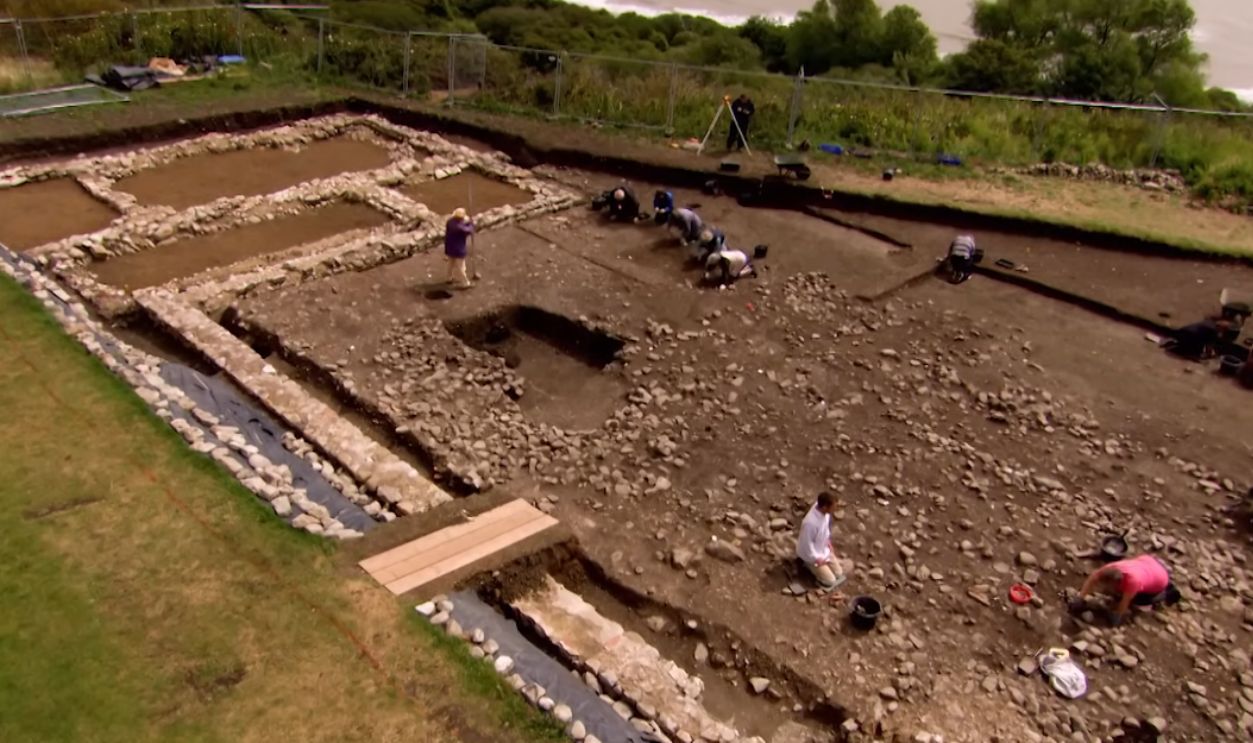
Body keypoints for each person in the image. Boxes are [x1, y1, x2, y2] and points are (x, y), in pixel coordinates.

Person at [1075, 554, 1180, 623]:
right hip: (1149, 562)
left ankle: (1165, 592)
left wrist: (1116, 615)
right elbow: (1092, 579)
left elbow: (1124, 603)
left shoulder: (1132, 582)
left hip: (1160, 578)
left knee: (1139, 601)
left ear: (1117, 583)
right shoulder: (1109, 569)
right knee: (1115, 593)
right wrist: (1080, 598)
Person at [796, 492, 852, 590]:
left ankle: (825, 567)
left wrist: (828, 543)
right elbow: (806, 544)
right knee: (830, 581)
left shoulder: (824, 512)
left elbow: (825, 529)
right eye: (833, 507)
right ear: (825, 507)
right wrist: (816, 558)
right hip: (811, 556)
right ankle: (808, 566)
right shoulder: (810, 523)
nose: (835, 509)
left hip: (823, 549)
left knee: (839, 573)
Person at [444, 207, 474, 289]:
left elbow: (462, 225)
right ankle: (465, 282)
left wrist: (468, 223)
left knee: (450, 263)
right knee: (461, 267)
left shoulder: (450, 222)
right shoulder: (460, 228)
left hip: (449, 247)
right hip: (458, 249)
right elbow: (469, 230)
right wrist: (471, 224)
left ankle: (449, 278)